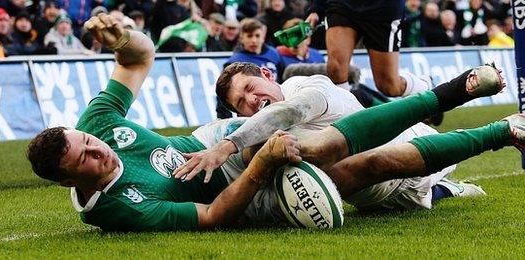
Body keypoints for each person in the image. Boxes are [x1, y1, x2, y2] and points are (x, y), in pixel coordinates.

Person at [27, 14, 525, 232]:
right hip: (245, 194)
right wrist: (259, 161)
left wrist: (124, 39)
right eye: (89, 160)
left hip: (226, 147)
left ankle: (456, 92)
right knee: (364, 168)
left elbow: (138, 58)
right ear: (73, 181)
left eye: (90, 141)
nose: (101, 150)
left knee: (319, 143)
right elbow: (213, 214)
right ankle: (504, 132)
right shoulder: (117, 211)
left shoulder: (95, 123)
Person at [175, 62, 494, 211]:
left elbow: (290, 113)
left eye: (249, 88)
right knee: (411, 204)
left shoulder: (305, 87)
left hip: (405, 146)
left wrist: (225, 146)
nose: (251, 101)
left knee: (421, 175)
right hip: (368, 196)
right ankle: (447, 190)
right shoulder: (258, 134)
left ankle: (491, 129)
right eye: (240, 103)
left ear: (268, 75)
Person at [306, 0, 433, 99]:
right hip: (342, 6)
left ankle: (424, 86)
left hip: (382, 9)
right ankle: (343, 119)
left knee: (388, 86)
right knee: (336, 69)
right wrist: (316, 7)